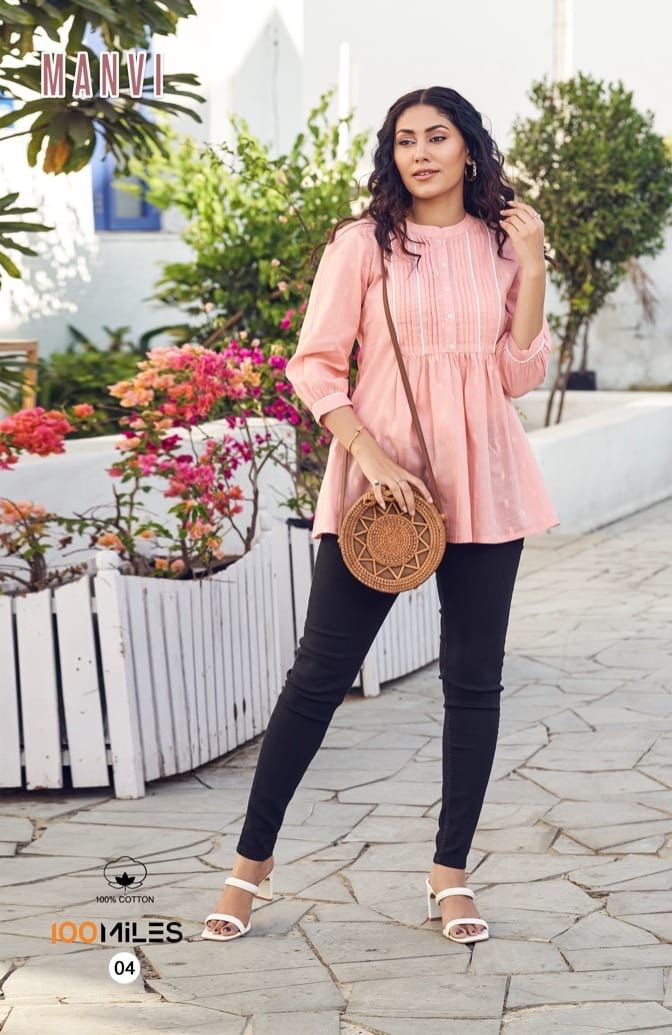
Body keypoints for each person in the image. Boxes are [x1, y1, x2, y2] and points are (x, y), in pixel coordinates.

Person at [202, 86, 559, 945]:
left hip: (484, 481)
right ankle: (249, 866)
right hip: (380, 486)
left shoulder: (502, 246)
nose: (421, 153)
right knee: (319, 675)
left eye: (438, 136)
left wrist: (536, 262)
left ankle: (450, 876)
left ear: (469, 149)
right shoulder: (363, 244)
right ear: (391, 154)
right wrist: (370, 456)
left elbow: (518, 376)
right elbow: (315, 365)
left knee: (473, 683)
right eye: (405, 140)